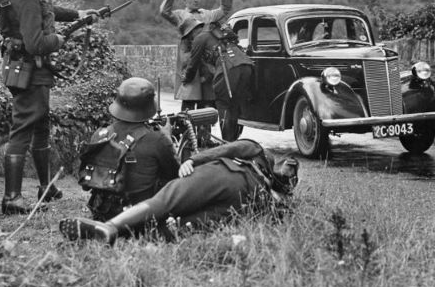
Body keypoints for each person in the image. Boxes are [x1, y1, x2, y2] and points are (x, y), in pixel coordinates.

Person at [0, 0, 101, 215]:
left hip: (24, 71)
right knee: (22, 130)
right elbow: (36, 44)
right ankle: (12, 199)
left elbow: (49, 11)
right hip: (32, 73)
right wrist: (59, 38)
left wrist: (81, 15)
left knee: (41, 126)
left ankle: (46, 188)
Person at [59, 139, 299, 245]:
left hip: (225, 177)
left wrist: (194, 159)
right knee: (179, 223)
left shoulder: (256, 152)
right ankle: (119, 232)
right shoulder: (270, 194)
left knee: (167, 205)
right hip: (238, 195)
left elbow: (228, 149)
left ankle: (110, 228)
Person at [78, 77, 180, 222]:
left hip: (103, 214)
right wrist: (168, 139)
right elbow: (174, 175)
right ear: (148, 106)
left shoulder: (101, 134)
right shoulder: (158, 140)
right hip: (141, 217)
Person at [159, 0, 233, 112]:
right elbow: (164, 11)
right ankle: (187, 131)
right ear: (185, 0)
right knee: (189, 101)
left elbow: (225, 9)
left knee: (207, 104)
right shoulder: (180, 15)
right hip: (190, 61)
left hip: (207, 63)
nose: (196, 0)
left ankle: (204, 131)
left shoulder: (206, 14)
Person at [181, 21, 254, 141]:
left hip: (229, 68)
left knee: (224, 106)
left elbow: (193, 64)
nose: (190, 40)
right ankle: (233, 142)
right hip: (247, 65)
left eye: (189, 36)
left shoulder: (200, 38)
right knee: (234, 105)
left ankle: (227, 144)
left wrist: (186, 78)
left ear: (192, 32)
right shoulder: (218, 34)